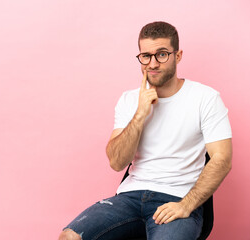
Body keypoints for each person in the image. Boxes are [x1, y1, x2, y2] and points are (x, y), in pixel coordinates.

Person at [58, 21, 232, 240]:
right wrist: (139, 115)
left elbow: (222, 159)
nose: (152, 63)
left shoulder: (205, 98)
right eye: (146, 56)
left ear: (177, 56)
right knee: (70, 237)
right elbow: (117, 162)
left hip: (176, 198)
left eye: (161, 55)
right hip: (129, 198)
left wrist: (186, 205)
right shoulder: (129, 100)